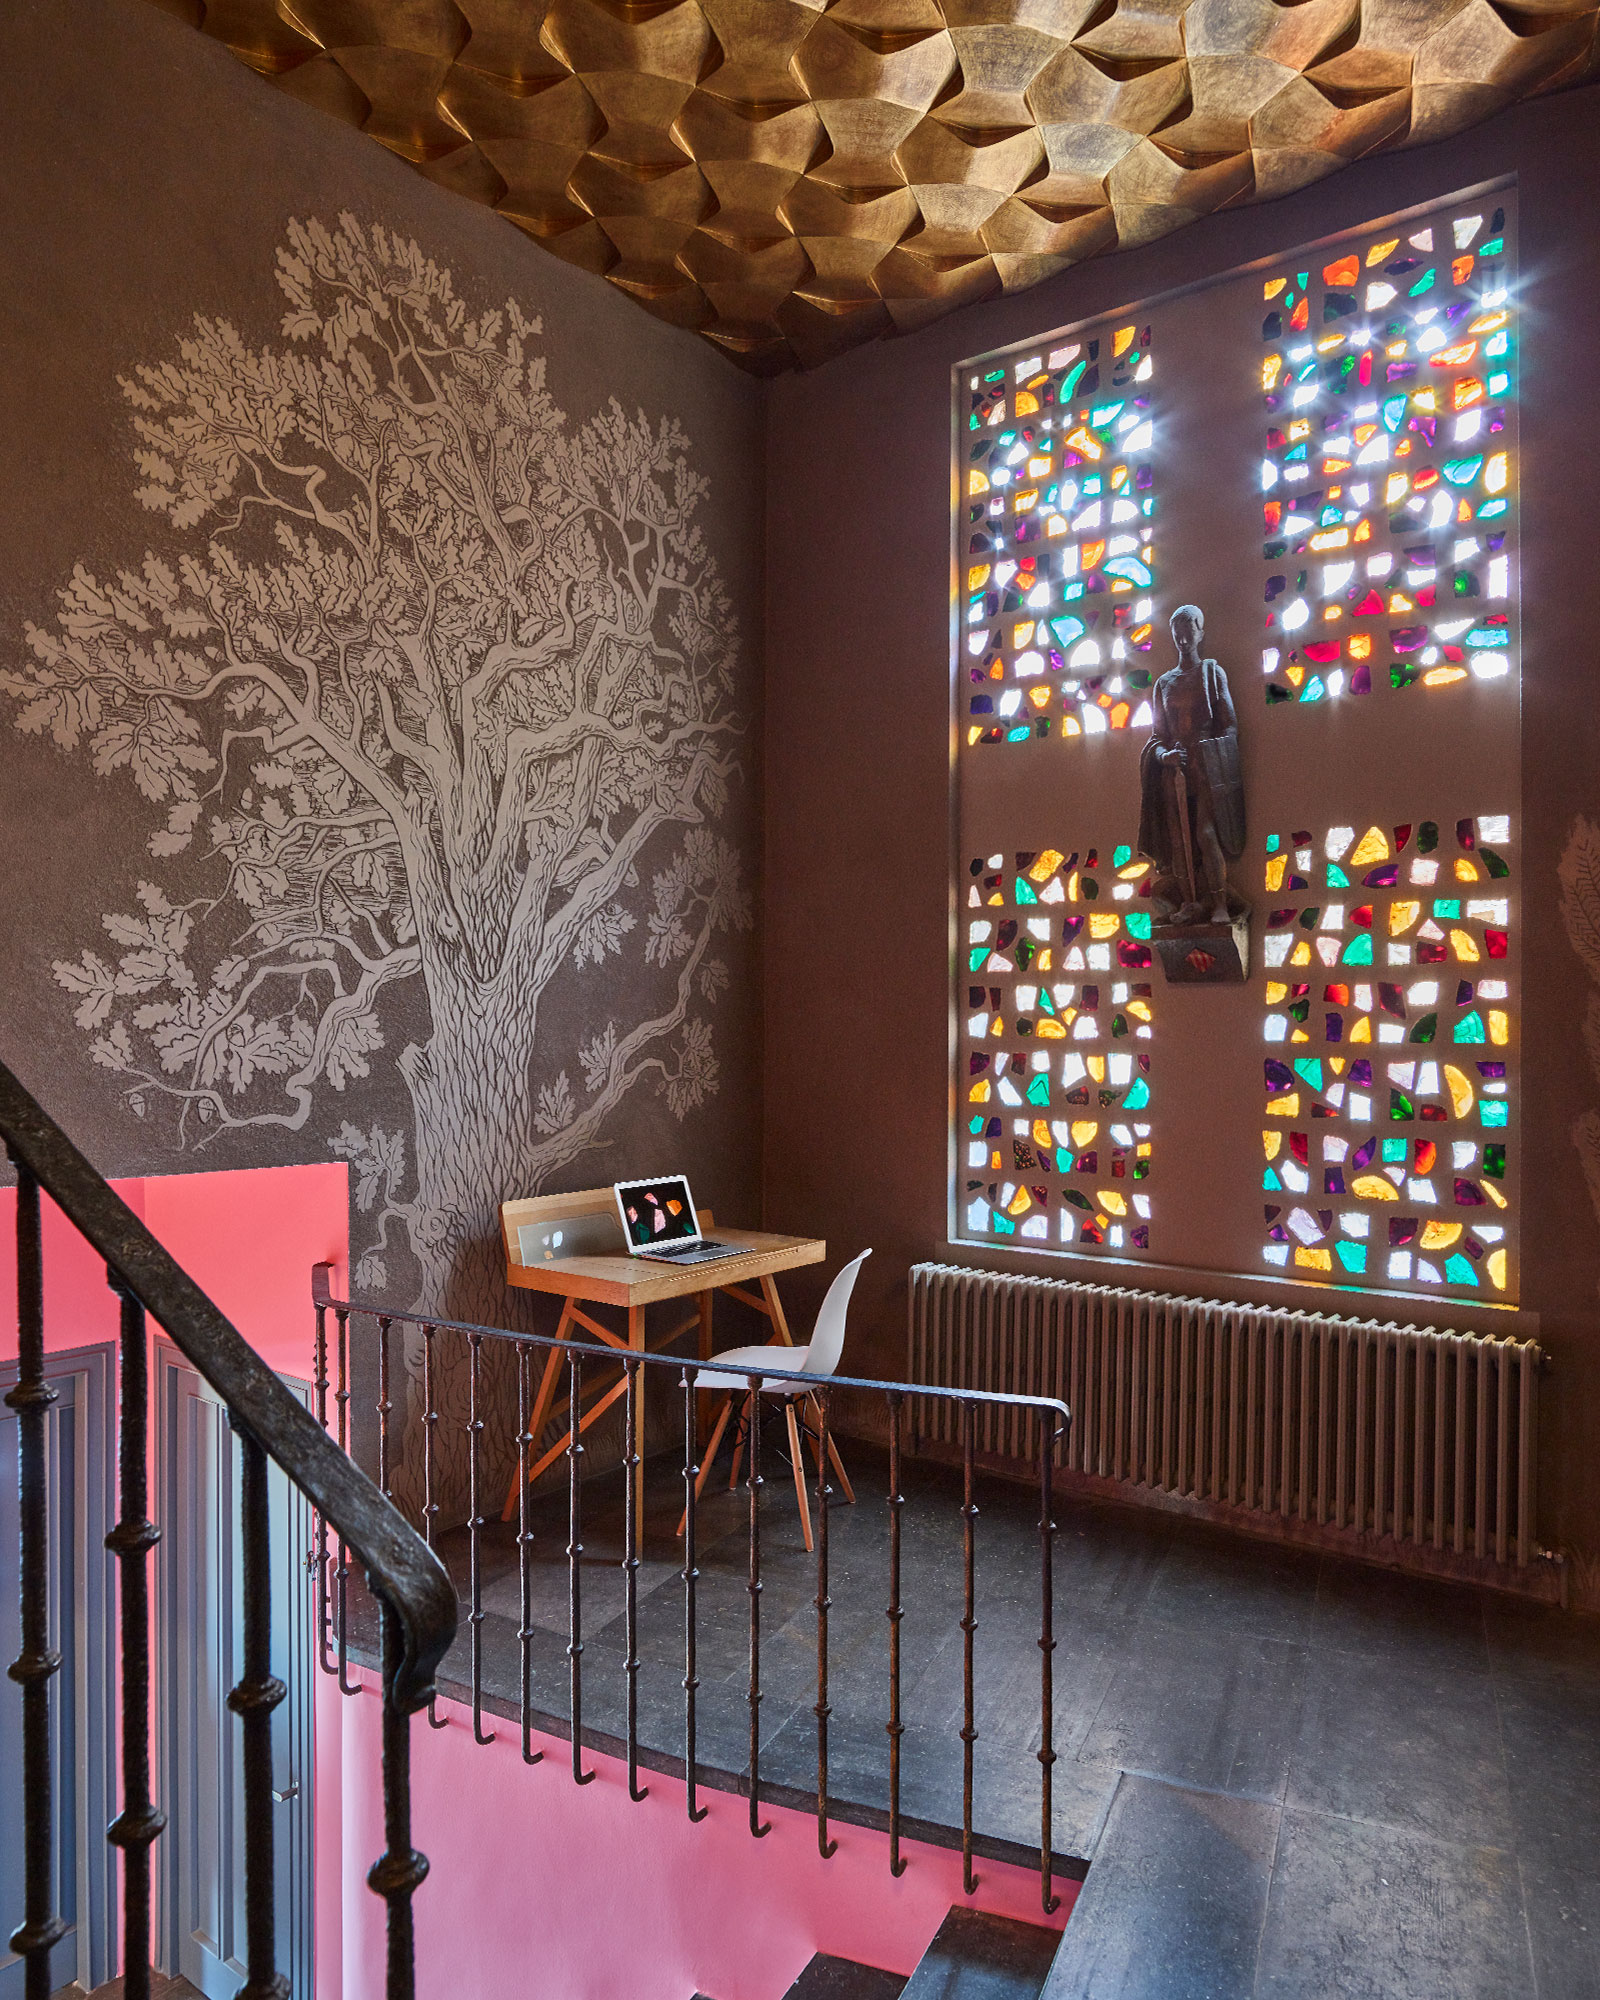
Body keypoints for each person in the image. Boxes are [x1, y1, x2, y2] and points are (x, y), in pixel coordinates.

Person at [1136, 604, 1246, 924]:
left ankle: (1220, 904)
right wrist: (1164, 756)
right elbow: (1157, 736)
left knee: (1205, 834)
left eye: (1189, 633)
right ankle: (1189, 902)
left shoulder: (1212, 673)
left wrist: (1211, 752)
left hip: (1207, 768)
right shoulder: (1164, 683)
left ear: (1200, 634)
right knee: (1178, 840)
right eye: (1177, 635)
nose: (1183, 641)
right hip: (1176, 771)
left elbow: (1229, 725)